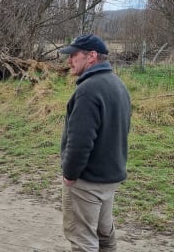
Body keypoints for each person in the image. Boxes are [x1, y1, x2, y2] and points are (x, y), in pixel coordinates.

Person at [59, 34, 131, 252]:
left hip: (88, 181)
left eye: (74, 55)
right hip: (110, 177)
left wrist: (70, 174)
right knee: (105, 235)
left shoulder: (88, 90)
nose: (69, 61)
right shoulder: (118, 85)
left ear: (91, 56)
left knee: (83, 240)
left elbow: (79, 143)